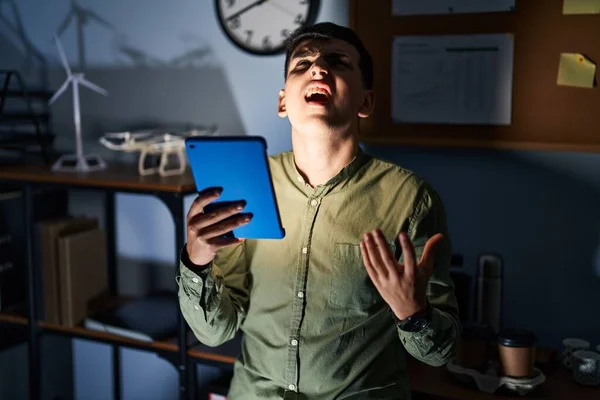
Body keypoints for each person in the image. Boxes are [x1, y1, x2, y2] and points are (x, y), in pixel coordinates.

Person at [178, 22, 460, 400]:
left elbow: (440, 354)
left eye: (338, 62)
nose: (318, 69)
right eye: (302, 64)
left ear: (365, 102)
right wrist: (196, 262)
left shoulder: (411, 198)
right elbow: (215, 332)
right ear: (282, 102)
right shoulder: (247, 188)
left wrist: (415, 313)